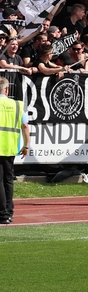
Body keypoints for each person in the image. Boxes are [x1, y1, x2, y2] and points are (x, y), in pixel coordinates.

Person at [0, 77, 30, 225]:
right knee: (8, 180)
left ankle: (3, 213)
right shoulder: (17, 105)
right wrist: (26, 145)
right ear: (7, 90)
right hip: (11, 147)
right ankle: (9, 211)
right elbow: (25, 127)